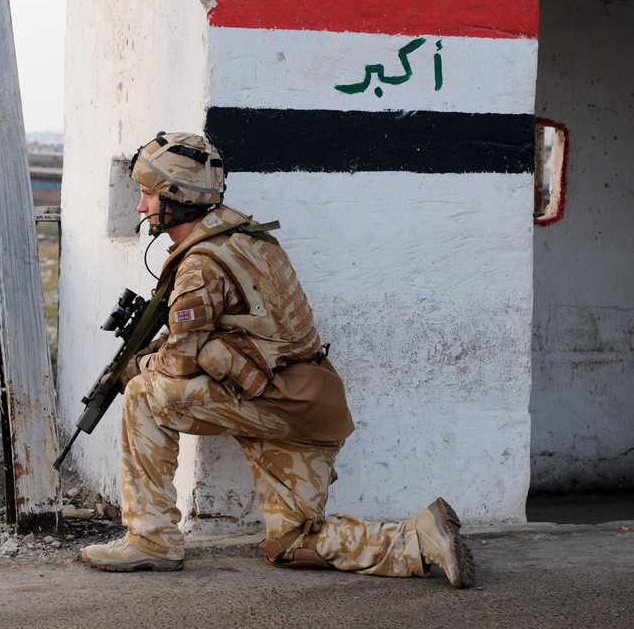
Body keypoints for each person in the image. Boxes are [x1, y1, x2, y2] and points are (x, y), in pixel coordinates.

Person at [80, 131, 476, 588]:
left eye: (148, 193)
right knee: (291, 544)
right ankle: (423, 539)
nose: (140, 206)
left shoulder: (200, 267)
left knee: (146, 393)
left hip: (272, 404)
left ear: (176, 195)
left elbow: (178, 363)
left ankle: (150, 540)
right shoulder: (243, 236)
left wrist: (135, 367)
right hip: (309, 406)